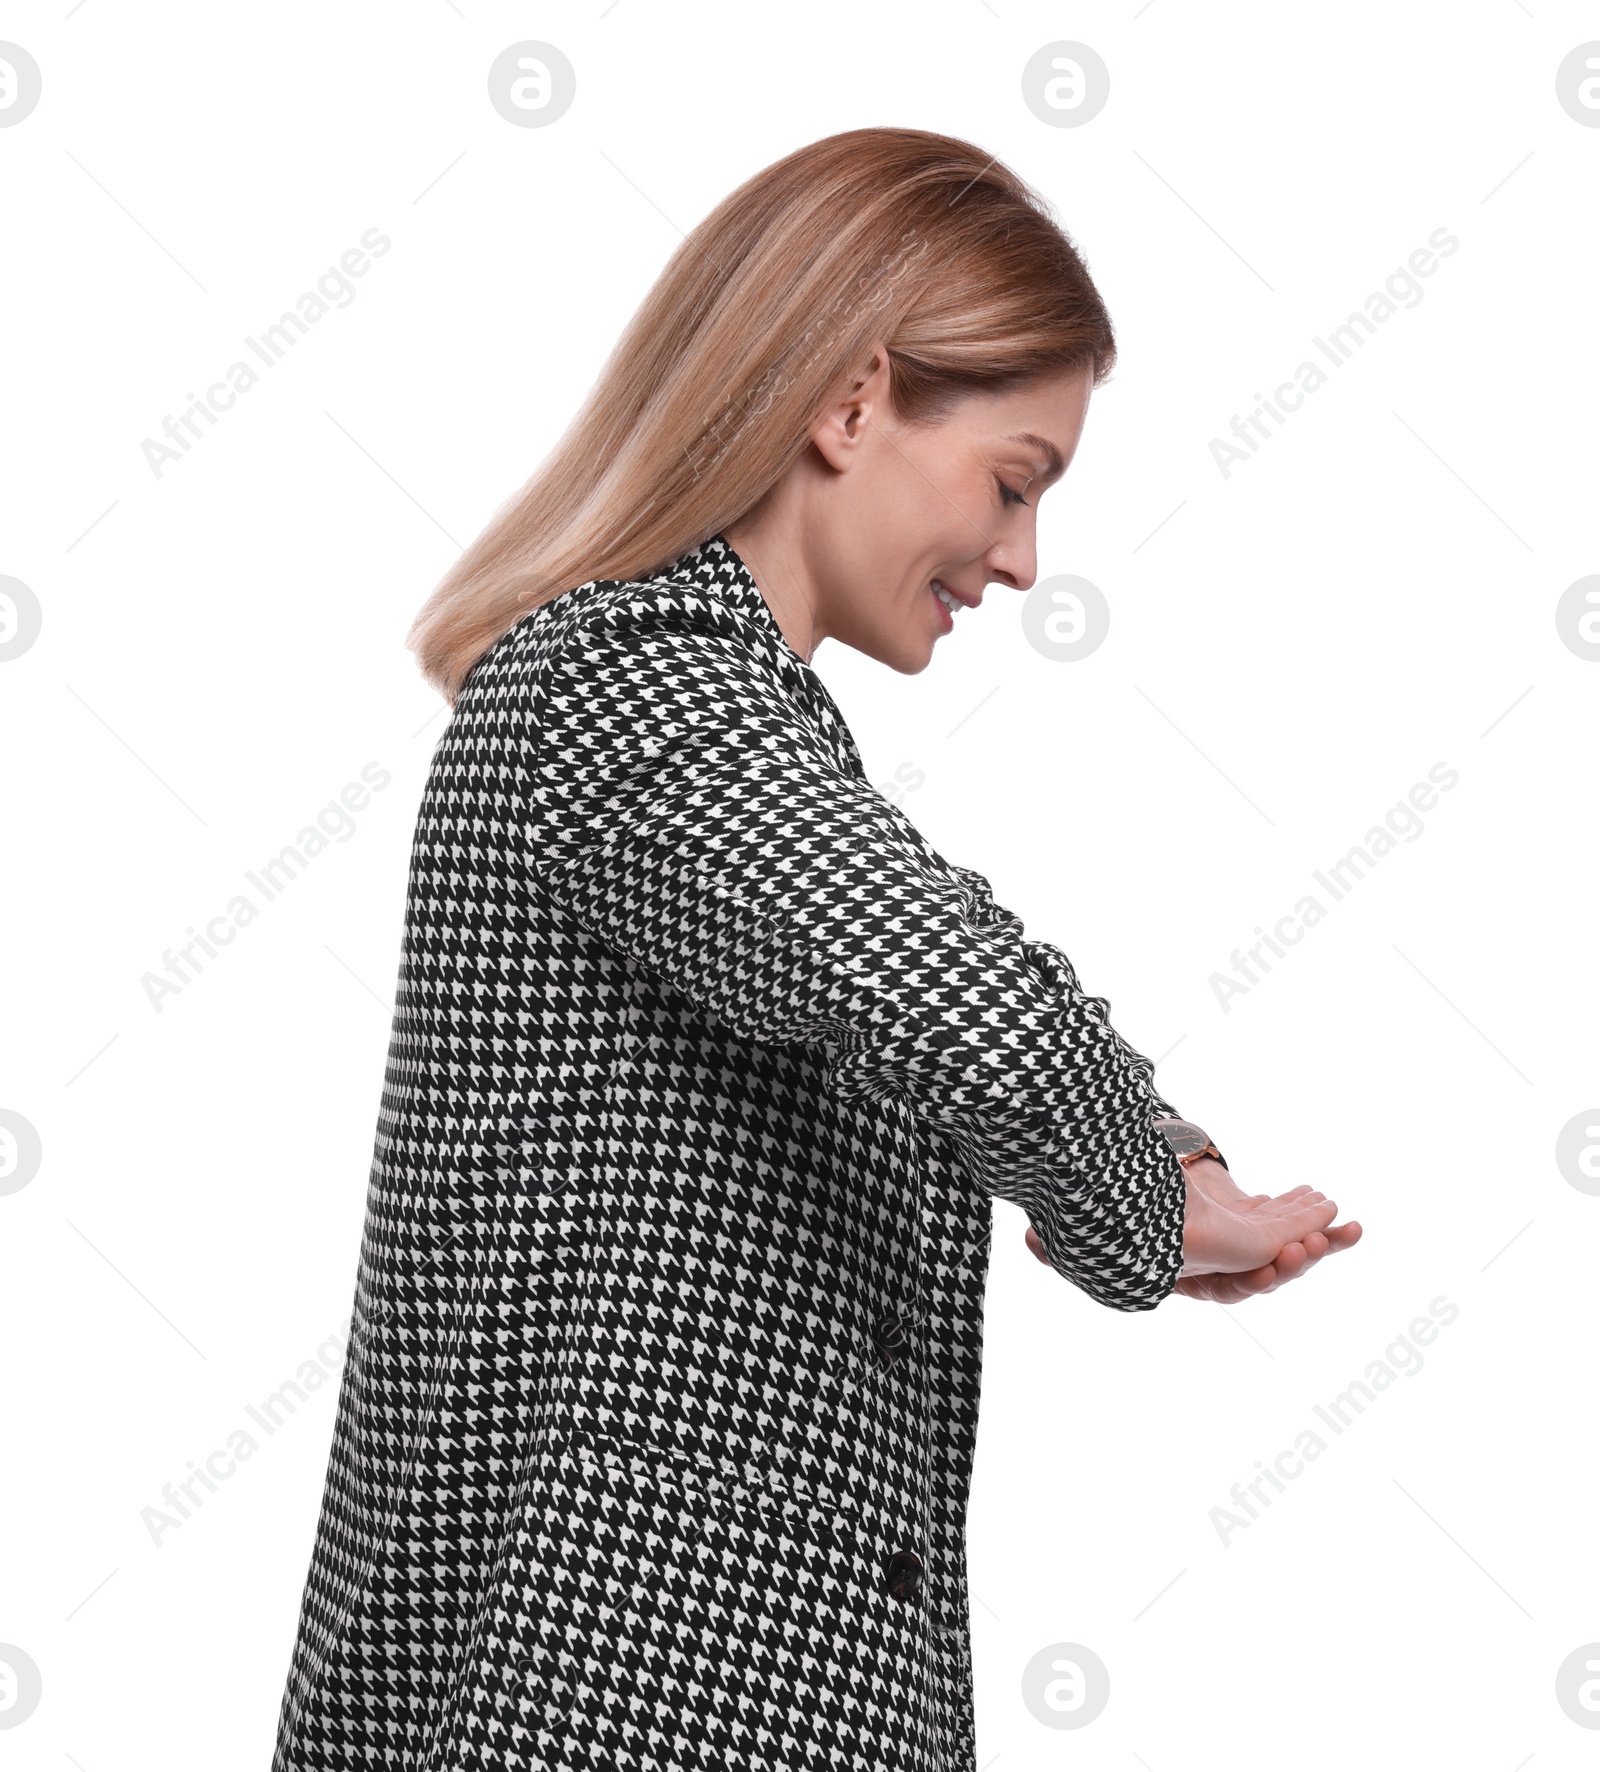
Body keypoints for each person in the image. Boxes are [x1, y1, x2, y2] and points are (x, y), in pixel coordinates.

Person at [270, 125, 1359, 1771]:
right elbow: (958, 991)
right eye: (1013, 482)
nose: (1021, 562)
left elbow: (930, 981)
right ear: (850, 404)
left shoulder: (723, 725)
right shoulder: (627, 686)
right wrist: (1152, 1199)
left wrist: (1146, 1161)